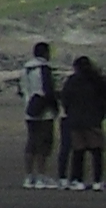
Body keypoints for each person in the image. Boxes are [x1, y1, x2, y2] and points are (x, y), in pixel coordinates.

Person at [60, 56, 106, 192]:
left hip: (76, 120)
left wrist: (70, 113)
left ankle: (77, 180)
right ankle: (97, 181)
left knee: (78, 152)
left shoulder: (72, 81)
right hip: (93, 120)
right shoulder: (97, 80)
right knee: (96, 152)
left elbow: (65, 99)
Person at [22, 42, 62, 188]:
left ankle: (29, 176)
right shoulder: (44, 68)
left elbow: (22, 90)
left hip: (29, 110)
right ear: (45, 53)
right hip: (44, 112)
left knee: (31, 143)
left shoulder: (25, 68)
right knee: (43, 144)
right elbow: (48, 90)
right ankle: (41, 176)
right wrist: (55, 108)